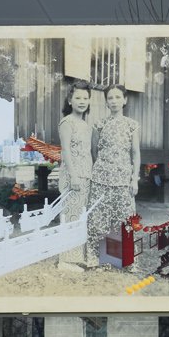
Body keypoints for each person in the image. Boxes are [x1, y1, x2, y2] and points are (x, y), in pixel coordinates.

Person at [87, 83, 141, 262]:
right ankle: (96, 257)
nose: (114, 101)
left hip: (123, 179)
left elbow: (135, 153)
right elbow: (94, 151)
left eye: (118, 97)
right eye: (110, 98)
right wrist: (103, 170)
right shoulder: (99, 124)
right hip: (101, 179)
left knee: (125, 219)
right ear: (106, 102)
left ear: (125, 100)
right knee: (97, 218)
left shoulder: (132, 125)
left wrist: (134, 179)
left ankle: (126, 259)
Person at [56, 81, 95, 269]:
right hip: (73, 176)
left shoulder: (85, 124)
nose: (82, 101)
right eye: (77, 97)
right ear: (70, 100)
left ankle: (77, 256)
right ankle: (66, 260)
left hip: (86, 175)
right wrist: (73, 176)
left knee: (80, 216)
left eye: (85, 98)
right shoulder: (67, 122)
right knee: (70, 215)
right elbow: (66, 151)